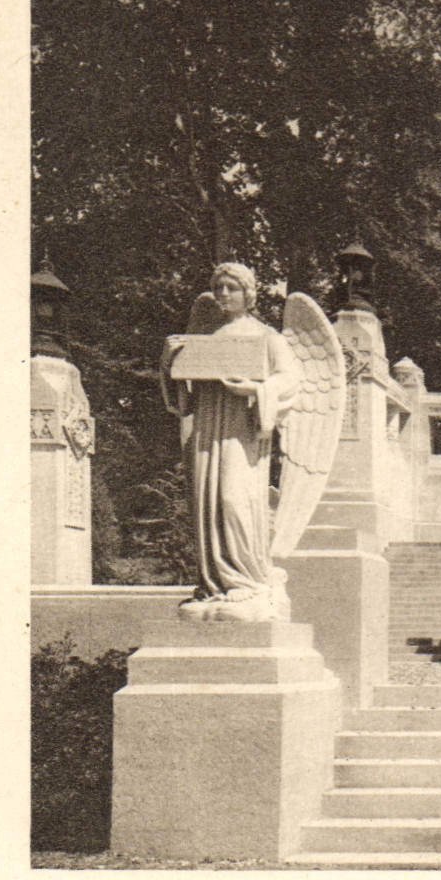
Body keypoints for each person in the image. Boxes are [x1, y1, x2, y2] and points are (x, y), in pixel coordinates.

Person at [160, 262, 301, 621]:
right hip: (209, 430)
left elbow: (290, 382)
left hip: (242, 430)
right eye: (219, 287)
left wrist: (255, 388)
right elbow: (184, 402)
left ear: (248, 294)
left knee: (233, 498)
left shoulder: (268, 337)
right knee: (208, 505)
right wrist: (168, 364)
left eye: (232, 288)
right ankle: (216, 585)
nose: (224, 294)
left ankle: (248, 580)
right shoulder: (204, 341)